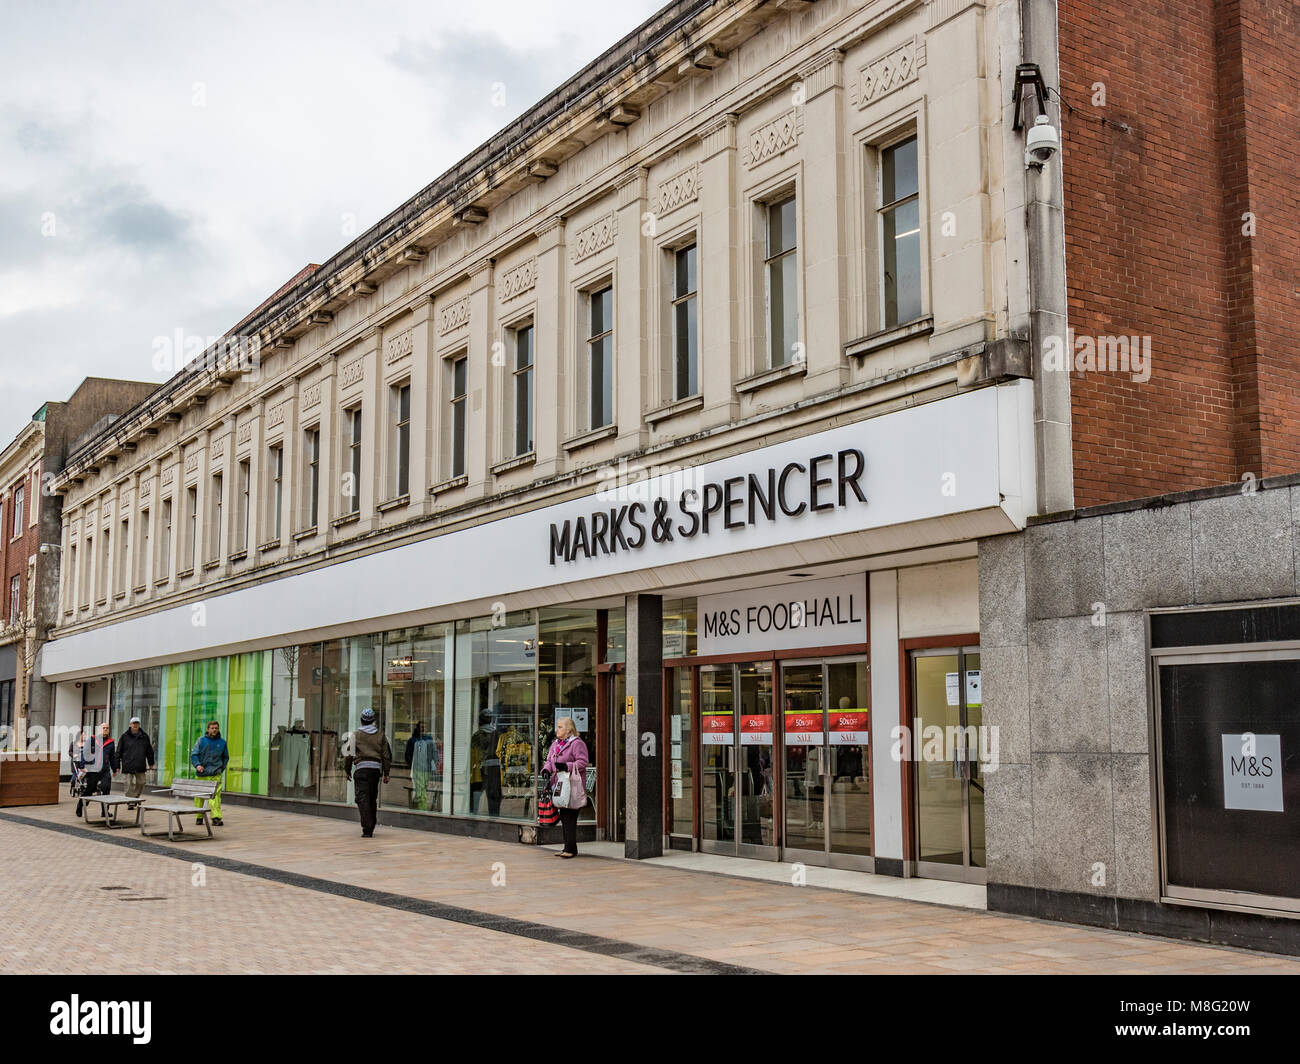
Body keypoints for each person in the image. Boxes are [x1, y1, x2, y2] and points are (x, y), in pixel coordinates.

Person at [542, 715, 589, 858]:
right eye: (557, 726)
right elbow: (549, 760)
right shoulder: (556, 744)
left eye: (560, 727)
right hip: (559, 785)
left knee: (569, 817)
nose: (557, 729)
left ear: (569, 730)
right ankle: (567, 847)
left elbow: (583, 762)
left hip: (572, 785)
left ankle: (571, 849)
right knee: (564, 817)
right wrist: (546, 770)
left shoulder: (577, 743)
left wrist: (567, 766)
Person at [344, 707, 391, 838]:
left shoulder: (356, 735)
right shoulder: (380, 735)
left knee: (362, 798)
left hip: (361, 770)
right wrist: (386, 773)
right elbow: (386, 755)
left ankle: (367, 828)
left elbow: (349, 755)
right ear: (373, 721)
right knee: (371, 798)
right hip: (375, 771)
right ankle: (371, 824)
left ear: (361, 720)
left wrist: (347, 770)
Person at [190, 720, 229, 826]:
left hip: (215, 775)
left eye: (216, 728)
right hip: (201, 774)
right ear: (208, 729)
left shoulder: (222, 742)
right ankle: (199, 817)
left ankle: (216, 818)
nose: (214, 730)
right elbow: (194, 755)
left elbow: (225, 757)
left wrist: (221, 769)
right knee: (199, 797)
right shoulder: (201, 741)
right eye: (212, 728)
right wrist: (197, 765)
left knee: (215, 797)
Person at [117, 717, 156, 799]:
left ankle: (135, 797)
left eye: (137, 723)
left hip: (140, 764)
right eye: (133, 723)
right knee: (128, 785)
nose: (135, 725)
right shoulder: (124, 736)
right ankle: (130, 802)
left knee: (142, 782)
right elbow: (118, 752)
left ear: (139, 725)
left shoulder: (144, 736)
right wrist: (117, 765)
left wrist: (151, 763)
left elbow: (149, 751)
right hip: (128, 765)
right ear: (130, 725)